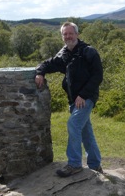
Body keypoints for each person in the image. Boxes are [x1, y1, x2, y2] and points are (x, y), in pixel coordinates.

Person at [35, 22, 103, 177]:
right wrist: (40, 73)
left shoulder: (89, 52)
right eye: (65, 34)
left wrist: (83, 95)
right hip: (74, 99)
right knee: (86, 132)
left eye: (70, 33)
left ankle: (74, 164)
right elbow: (47, 63)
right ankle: (95, 165)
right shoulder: (64, 54)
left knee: (73, 124)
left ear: (77, 34)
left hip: (86, 98)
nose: (68, 37)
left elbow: (97, 76)